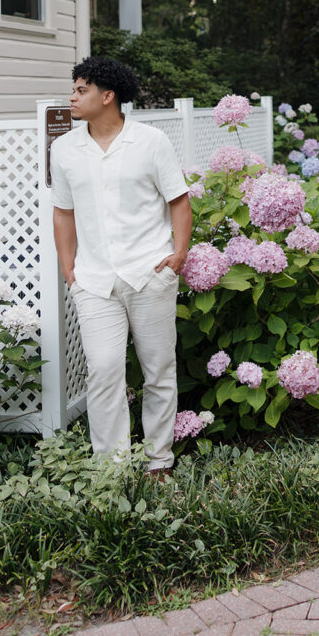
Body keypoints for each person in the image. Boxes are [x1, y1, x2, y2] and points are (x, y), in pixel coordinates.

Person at [50, 56, 191, 476]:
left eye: (81, 90)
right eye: (74, 89)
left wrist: (177, 256)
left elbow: (179, 200)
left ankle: (158, 462)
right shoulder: (64, 149)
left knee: (158, 370)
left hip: (150, 272)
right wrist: (68, 270)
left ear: (107, 96)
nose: (72, 97)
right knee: (105, 369)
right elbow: (63, 212)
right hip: (93, 280)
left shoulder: (150, 141)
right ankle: (111, 469)